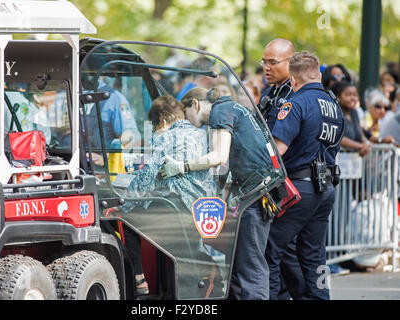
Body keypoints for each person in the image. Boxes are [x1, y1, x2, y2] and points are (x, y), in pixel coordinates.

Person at [161, 87, 282, 300]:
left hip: (255, 195)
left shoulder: (220, 112)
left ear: (195, 104)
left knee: (250, 265)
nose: (188, 123)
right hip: (256, 192)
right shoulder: (235, 108)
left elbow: (218, 156)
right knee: (236, 264)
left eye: (186, 114)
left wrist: (181, 166)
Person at [264, 51, 345, 300]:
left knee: (270, 250)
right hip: (326, 189)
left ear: (294, 80)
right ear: (318, 74)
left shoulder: (295, 103)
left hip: (300, 188)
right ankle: (321, 297)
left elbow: (277, 151)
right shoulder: (334, 105)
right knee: (315, 255)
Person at [121, 94, 216, 295]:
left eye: (154, 127)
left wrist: (125, 202)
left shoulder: (166, 136)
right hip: (202, 209)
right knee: (179, 257)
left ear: (162, 120)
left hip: (176, 208)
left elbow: (146, 176)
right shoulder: (201, 134)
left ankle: (139, 280)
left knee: (128, 221)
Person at [259, 38, 305, 300]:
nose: (266, 67)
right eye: (263, 61)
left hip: (292, 182)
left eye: (272, 62)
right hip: (272, 182)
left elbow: (280, 145)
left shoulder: (295, 95)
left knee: (284, 250)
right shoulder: (270, 93)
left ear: (291, 62)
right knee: (280, 251)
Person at [330, 81, 371, 156]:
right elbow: (338, 138)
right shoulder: (335, 113)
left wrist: (366, 143)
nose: (353, 98)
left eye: (355, 95)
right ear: (338, 97)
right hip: (338, 159)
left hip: (353, 162)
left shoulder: (354, 112)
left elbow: (360, 132)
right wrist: (360, 146)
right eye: (348, 95)